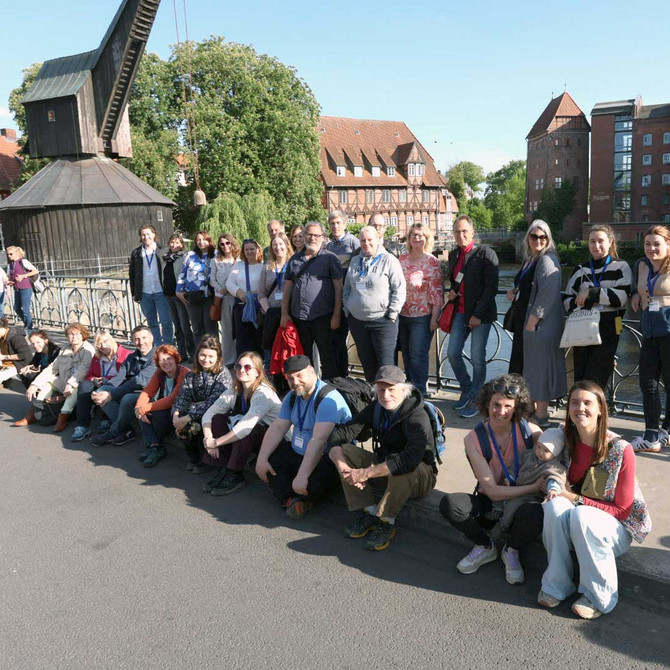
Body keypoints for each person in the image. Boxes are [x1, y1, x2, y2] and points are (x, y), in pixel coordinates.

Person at [539, 381, 651, 619]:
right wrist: (554, 488)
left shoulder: (620, 449)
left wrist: (574, 498)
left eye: (587, 403)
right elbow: (554, 471)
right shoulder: (567, 440)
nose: (580, 408)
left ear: (600, 409)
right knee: (554, 506)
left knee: (582, 514)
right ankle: (557, 583)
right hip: (578, 521)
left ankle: (599, 596)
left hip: (614, 528)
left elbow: (622, 511)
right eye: (574, 402)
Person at [439, 374, 543, 585]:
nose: (501, 412)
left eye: (508, 406)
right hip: (492, 503)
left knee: (536, 512)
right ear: (487, 404)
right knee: (450, 504)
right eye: (496, 405)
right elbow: (492, 491)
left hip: (521, 504)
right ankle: (486, 546)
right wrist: (532, 487)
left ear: (517, 407)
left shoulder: (531, 433)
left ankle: (511, 550)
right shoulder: (473, 439)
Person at [328, 366, 437, 551]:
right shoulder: (377, 408)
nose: (385, 396)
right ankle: (370, 511)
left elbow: (409, 459)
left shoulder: (418, 416)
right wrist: (343, 467)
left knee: (402, 467)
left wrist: (365, 473)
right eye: (381, 390)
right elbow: (341, 434)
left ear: (404, 389)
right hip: (385, 470)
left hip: (418, 477)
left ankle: (387, 521)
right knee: (345, 451)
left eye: (391, 389)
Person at [255, 355, 351, 518]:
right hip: (299, 451)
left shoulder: (328, 399)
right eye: (290, 378)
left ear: (312, 371)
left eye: (299, 375)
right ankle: (292, 500)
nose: (295, 382)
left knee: (312, 483)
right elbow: (278, 427)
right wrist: (261, 459)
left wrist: (302, 476)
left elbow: (319, 441)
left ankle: (300, 498)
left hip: (325, 456)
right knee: (270, 459)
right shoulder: (292, 396)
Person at [507, 220, 566, 428]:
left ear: (548, 239)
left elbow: (547, 294)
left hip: (540, 325)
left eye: (543, 237)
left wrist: (533, 322)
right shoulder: (531, 259)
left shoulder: (547, 260)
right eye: (534, 236)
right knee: (530, 368)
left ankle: (541, 415)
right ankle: (530, 410)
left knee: (540, 369)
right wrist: (514, 292)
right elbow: (527, 286)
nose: (538, 240)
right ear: (528, 239)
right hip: (527, 322)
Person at [201, 351, 282, 495]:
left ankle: (234, 473)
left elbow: (245, 427)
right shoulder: (235, 390)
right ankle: (225, 467)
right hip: (251, 436)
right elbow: (209, 414)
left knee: (248, 429)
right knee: (218, 419)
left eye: (247, 367)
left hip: (277, 442)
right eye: (238, 366)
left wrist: (216, 442)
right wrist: (209, 439)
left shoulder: (263, 394)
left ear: (258, 372)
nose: (241, 370)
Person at [562, 224, 631, 390]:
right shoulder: (581, 270)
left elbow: (621, 298)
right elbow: (566, 300)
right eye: (592, 241)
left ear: (610, 242)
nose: (596, 245)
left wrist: (592, 293)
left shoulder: (621, 267)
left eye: (600, 241)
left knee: (597, 378)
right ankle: (579, 406)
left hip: (609, 327)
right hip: (583, 325)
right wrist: (588, 301)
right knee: (580, 376)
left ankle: (595, 406)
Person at [446, 215, 499, 419]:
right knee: (452, 353)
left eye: (464, 231)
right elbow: (456, 281)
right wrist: (453, 291)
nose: (461, 235)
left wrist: (477, 315)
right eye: (457, 232)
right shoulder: (454, 255)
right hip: (460, 312)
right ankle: (468, 389)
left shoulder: (486, 254)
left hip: (480, 315)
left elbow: (491, 288)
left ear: (472, 232)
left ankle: (477, 399)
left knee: (477, 357)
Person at [281, 222, 344, 381]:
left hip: (323, 317)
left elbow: (338, 288)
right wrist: (284, 313)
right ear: (303, 236)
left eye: (317, 235)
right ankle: (309, 387)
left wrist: (337, 315)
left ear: (323, 237)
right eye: (309, 234)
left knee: (327, 356)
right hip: (299, 317)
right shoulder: (295, 259)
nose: (312, 238)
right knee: (304, 358)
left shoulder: (330, 258)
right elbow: (287, 287)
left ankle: (329, 387)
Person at [344, 226, 406, 382]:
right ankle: (373, 394)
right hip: (358, 321)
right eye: (363, 240)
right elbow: (347, 288)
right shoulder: (355, 260)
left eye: (370, 239)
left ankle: (389, 395)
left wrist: (392, 313)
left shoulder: (389, 260)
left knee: (386, 366)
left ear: (378, 239)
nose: (366, 243)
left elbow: (399, 288)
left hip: (382, 321)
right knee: (367, 363)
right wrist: (348, 310)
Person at [630, 225, 670, 452]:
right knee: (647, 383)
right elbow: (638, 286)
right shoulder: (641, 265)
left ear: (668, 245)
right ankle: (651, 433)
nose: (652, 248)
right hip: (649, 331)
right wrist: (635, 293)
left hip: (669, 331)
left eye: (657, 244)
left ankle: (665, 431)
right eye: (648, 244)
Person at [492, 427, 567, 540]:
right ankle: (497, 510)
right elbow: (515, 465)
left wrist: (553, 489)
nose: (540, 452)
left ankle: (503, 525)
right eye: (539, 447)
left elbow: (555, 478)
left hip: (530, 495)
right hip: (516, 485)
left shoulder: (554, 466)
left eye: (546, 450)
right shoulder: (528, 454)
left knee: (512, 506)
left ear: (555, 453)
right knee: (499, 495)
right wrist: (510, 476)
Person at [20, 323, 95, 432]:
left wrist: (70, 384)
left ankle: (63, 417)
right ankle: (35, 411)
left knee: (75, 388)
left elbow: (83, 370)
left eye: (77, 334)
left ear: (83, 334)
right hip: (64, 382)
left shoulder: (88, 350)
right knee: (47, 382)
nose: (74, 337)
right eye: (70, 334)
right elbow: (52, 368)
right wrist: (35, 384)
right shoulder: (65, 349)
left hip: (78, 384)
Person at [172, 336, 233, 472]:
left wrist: (188, 417)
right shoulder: (192, 374)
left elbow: (214, 402)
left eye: (211, 356)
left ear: (218, 357)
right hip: (197, 409)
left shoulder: (223, 374)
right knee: (182, 419)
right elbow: (183, 396)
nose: (206, 359)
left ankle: (207, 460)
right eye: (203, 355)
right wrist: (176, 414)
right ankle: (194, 457)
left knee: (200, 421)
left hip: (217, 411)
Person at [89, 326, 157, 447]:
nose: (141, 342)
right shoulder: (132, 357)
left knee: (127, 398)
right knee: (101, 391)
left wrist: (112, 395)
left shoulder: (157, 357)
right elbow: (119, 377)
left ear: (151, 338)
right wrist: (104, 392)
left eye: (144, 338)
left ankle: (114, 430)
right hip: (133, 391)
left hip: (151, 394)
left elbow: (139, 381)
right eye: (137, 339)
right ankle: (126, 429)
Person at [398, 223, 444, 396]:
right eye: (413, 235)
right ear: (409, 238)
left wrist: (434, 318)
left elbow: (437, 292)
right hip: (402, 315)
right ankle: (409, 390)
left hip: (422, 316)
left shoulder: (432, 262)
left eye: (420, 235)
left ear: (426, 238)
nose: (417, 238)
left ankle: (419, 392)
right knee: (406, 354)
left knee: (418, 355)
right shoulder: (401, 259)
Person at [134, 344, 190, 467]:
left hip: (179, 411)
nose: (166, 362)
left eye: (169, 358)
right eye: (162, 359)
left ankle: (158, 447)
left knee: (154, 412)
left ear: (175, 358)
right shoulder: (160, 373)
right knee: (142, 410)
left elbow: (172, 400)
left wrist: (144, 408)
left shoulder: (184, 373)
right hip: (167, 408)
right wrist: (139, 407)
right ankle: (153, 447)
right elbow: (147, 391)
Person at [71, 332, 132, 441]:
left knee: (103, 389)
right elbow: (89, 375)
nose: (103, 346)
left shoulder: (126, 354)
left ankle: (109, 420)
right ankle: (82, 425)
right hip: (100, 383)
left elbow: (127, 376)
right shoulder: (97, 357)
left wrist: (107, 379)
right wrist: (94, 379)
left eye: (105, 341)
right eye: (99, 344)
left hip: (118, 383)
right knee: (85, 385)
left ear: (112, 340)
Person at [258, 232, 293, 392]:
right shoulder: (267, 267)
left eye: (280, 244)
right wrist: (268, 310)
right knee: (271, 350)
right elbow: (261, 293)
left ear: (287, 245)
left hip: (289, 314)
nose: (278, 248)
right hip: (271, 314)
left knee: (288, 349)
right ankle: (273, 384)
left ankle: (289, 383)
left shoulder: (293, 264)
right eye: (274, 245)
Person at [326, 210, 360, 376]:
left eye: (338, 223)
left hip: (350, 298)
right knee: (336, 340)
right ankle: (339, 375)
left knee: (355, 339)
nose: (335, 226)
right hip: (334, 298)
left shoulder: (353, 242)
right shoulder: (329, 246)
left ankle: (344, 375)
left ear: (345, 224)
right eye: (332, 223)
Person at [128, 225, 173, 346]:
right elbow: (132, 274)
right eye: (143, 235)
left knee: (166, 322)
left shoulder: (163, 250)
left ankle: (168, 347)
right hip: (145, 292)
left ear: (154, 234)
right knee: (152, 323)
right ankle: (157, 347)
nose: (146, 237)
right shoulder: (136, 253)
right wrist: (134, 293)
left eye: (148, 234)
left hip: (161, 291)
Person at [176, 230, 217, 344]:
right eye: (198, 240)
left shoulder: (216, 254)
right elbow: (183, 273)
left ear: (209, 240)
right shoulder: (190, 255)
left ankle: (213, 351)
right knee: (197, 328)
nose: (201, 242)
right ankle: (199, 351)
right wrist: (178, 290)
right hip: (193, 295)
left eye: (204, 239)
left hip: (209, 295)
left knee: (210, 327)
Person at [226, 238, 264, 357]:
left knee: (258, 337)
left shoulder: (263, 266)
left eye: (252, 249)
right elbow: (229, 283)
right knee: (243, 339)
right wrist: (239, 293)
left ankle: (258, 364)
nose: (249, 252)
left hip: (259, 306)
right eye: (247, 249)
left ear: (258, 250)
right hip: (242, 306)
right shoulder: (238, 265)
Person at [163, 233, 196, 363]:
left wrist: (183, 290)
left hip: (180, 295)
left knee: (185, 326)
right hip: (169, 295)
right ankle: (181, 353)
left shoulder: (184, 257)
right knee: (177, 326)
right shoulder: (166, 258)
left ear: (182, 244)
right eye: (172, 242)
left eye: (177, 242)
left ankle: (192, 352)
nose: (174, 245)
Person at [210, 233, 240, 367]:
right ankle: (228, 360)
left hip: (237, 296)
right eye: (222, 244)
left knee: (239, 328)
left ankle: (240, 357)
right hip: (223, 298)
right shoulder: (216, 261)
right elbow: (212, 279)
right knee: (227, 330)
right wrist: (220, 288)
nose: (225, 246)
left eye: (228, 243)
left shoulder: (239, 259)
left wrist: (232, 288)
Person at [6, 245, 38, 331]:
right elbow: (10, 277)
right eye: (8, 254)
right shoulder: (10, 265)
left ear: (16, 253)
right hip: (17, 288)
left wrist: (23, 276)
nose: (9, 256)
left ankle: (29, 327)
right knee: (16, 308)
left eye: (11, 254)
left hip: (26, 287)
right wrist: (10, 282)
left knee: (25, 308)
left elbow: (35, 271)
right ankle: (27, 324)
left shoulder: (23, 261)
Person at [0, 317, 33, 388]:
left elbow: (24, 355)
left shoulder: (16, 337)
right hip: (5, 363)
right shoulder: (1, 337)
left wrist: (4, 357)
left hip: (17, 364)